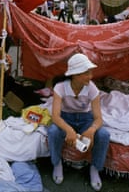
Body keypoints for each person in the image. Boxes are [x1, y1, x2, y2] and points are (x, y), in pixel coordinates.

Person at [47, 53, 110, 191]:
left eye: (90, 72)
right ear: (75, 75)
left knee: (104, 135)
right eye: (86, 73)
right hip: (65, 117)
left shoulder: (92, 88)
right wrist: (69, 130)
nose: (91, 76)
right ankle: (57, 164)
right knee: (52, 131)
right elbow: (56, 116)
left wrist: (92, 130)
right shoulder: (60, 87)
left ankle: (95, 169)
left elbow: (99, 118)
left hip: (85, 119)